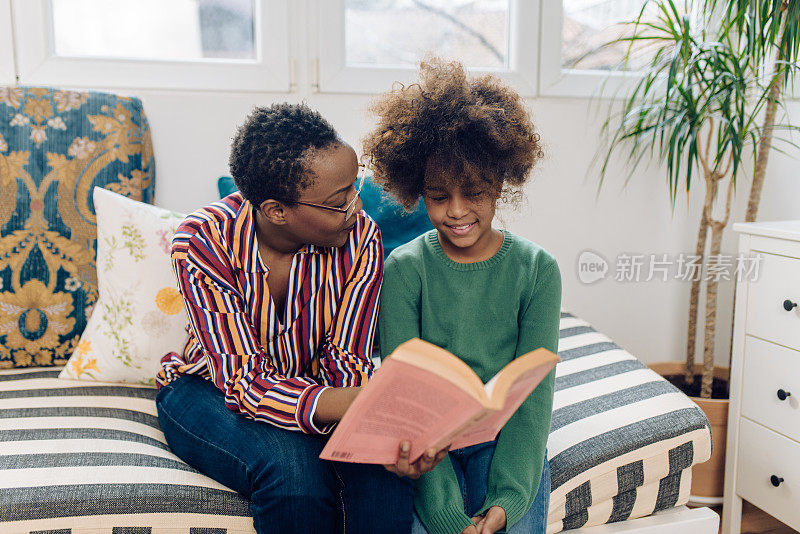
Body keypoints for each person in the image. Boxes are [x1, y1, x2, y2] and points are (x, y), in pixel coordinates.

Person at [154, 103, 448, 534]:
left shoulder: (361, 236)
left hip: (320, 390)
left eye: (354, 186)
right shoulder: (201, 240)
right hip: (205, 390)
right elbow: (244, 382)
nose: (356, 205)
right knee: (294, 474)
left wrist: (385, 429)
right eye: (338, 200)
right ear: (276, 211)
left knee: (382, 476)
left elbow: (347, 358)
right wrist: (362, 404)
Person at [362, 57, 562, 534]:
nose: (456, 211)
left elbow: (533, 398)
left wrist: (509, 500)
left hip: (508, 439)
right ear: (417, 191)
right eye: (437, 195)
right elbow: (407, 400)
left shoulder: (537, 270)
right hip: (432, 448)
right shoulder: (405, 270)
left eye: (473, 191)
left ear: (500, 183)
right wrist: (448, 518)